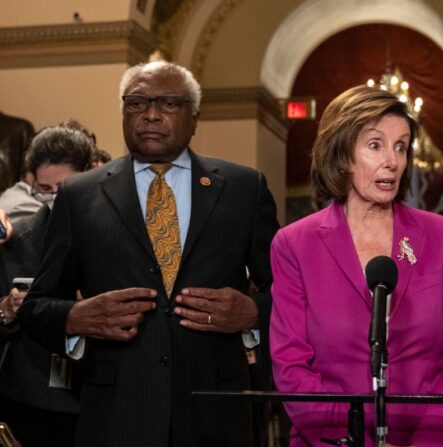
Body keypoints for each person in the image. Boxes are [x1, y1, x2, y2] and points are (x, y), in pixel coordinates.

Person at [17, 61, 280, 447]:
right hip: (115, 416)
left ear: (194, 118)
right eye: (137, 102)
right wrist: (74, 317)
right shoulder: (78, 195)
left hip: (215, 414)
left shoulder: (244, 188)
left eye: (169, 104)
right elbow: (36, 307)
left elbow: (292, 293)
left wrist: (254, 313)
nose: (151, 115)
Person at [270, 85, 443, 446]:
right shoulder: (294, 244)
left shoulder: (442, 236)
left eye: (401, 147)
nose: (392, 161)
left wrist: (428, 442)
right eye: (375, 145)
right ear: (341, 156)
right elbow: (291, 367)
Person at [0, 125, 95, 447]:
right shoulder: (18, 239)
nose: (55, 199)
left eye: (64, 188)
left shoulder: (116, 237)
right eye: (43, 189)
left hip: (99, 398)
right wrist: (6, 311)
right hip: (28, 402)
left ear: (92, 172)